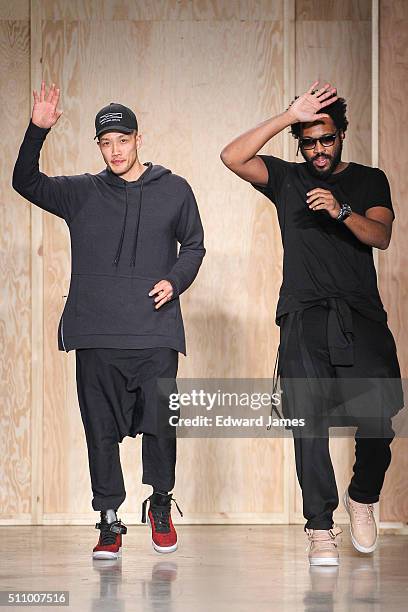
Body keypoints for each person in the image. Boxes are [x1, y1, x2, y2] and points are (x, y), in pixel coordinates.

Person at [12, 81, 205, 559]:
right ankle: (108, 519)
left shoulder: (175, 190)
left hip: (155, 330)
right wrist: (38, 130)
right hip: (96, 330)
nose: (115, 150)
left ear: (139, 139)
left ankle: (160, 503)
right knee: (98, 427)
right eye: (106, 141)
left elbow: (195, 244)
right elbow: (25, 181)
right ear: (98, 145)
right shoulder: (82, 193)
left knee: (161, 422)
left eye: (123, 139)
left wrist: (176, 280)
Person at [220, 80, 404, 566]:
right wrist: (287, 115)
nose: (318, 149)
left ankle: (362, 497)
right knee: (309, 423)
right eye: (308, 141)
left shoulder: (369, 180)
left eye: (326, 139)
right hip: (303, 314)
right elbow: (232, 156)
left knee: (377, 422)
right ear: (299, 143)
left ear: (342, 134)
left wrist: (342, 210)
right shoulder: (285, 178)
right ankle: (320, 527)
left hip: (359, 314)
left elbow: (381, 235)